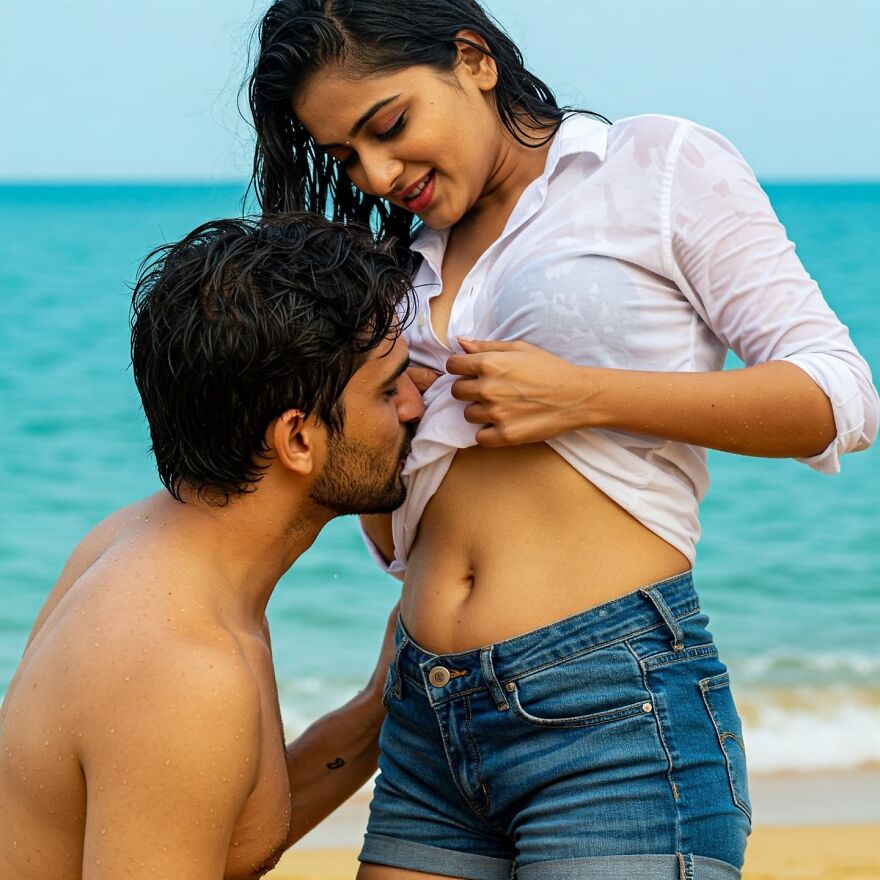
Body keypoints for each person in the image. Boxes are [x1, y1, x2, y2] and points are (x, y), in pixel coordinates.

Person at [248, 3, 880, 878]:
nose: (378, 172)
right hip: (427, 716)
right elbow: (394, 525)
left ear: (473, 60)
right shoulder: (394, 261)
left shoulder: (654, 168)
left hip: (613, 707)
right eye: (346, 157)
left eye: (388, 125)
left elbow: (840, 395)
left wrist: (584, 397)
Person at [0, 214, 424, 880]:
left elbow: (202, 826)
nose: (417, 405)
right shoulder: (184, 671)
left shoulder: (134, 542)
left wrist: (380, 706)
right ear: (297, 441)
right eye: (389, 386)